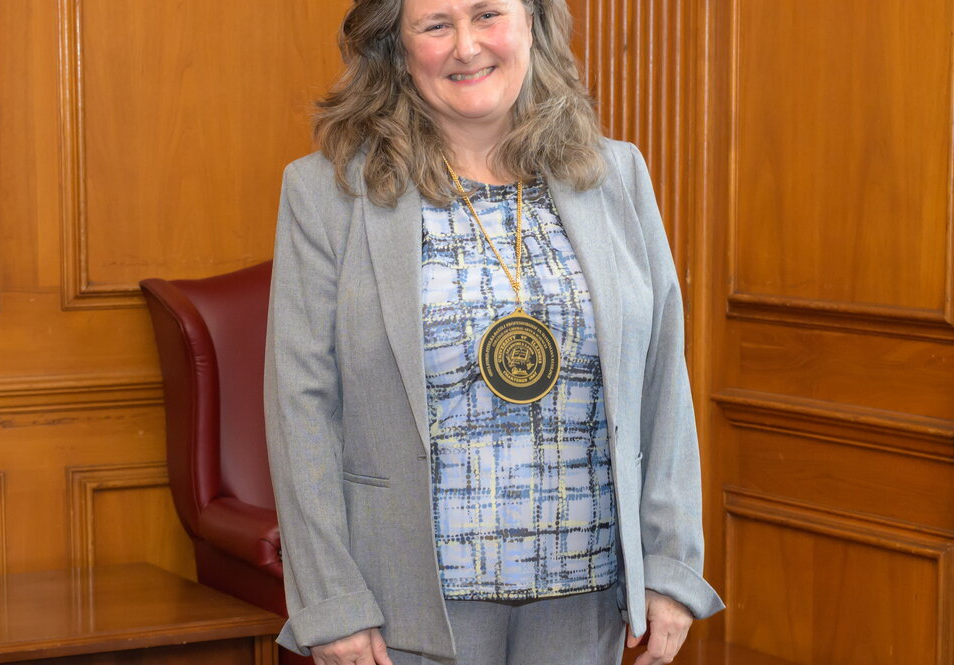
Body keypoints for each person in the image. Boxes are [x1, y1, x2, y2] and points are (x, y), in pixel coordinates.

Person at [263, 0, 724, 664]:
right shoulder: (329, 194)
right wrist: (330, 601)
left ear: (531, 24)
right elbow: (300, 406)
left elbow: (661, 377)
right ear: (395, 44)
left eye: (487, 14)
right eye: (435, 24)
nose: (467, 46)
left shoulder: (616, 177)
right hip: (405, 607)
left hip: (585, 593)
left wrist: (673, 564)